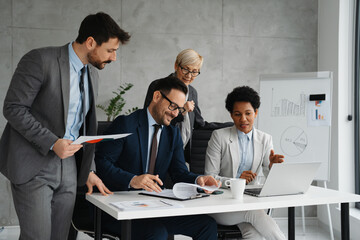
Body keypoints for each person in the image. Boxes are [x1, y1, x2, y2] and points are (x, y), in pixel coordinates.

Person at [0, 12, 130, 240]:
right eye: (110, 50)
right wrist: (52, 142)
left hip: (70, 166)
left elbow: (82, 125)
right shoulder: (40, 60)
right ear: (90, 42)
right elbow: (13, 108)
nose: (114, 58)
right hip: (34, 164)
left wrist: (88, 170)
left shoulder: (91, 73)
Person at [95, 76, 219, 240]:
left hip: (154, 207)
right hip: (117, 208)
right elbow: (102, 164)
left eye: (180, 109)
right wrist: (132, 179)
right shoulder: (126, 124)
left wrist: (198, 180)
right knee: (156, 232)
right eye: (173, 106)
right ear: (157, 97)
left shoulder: (172, 133)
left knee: (206, 225)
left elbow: (178, 172)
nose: (175, 113)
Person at [204, 86, 286, 240]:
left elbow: (270, 178)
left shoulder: (265, 139)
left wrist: (271, 166)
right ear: (231, 115)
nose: (243, 119)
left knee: (253, 234)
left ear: (255, 112)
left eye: (248, 113)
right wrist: (235, 181)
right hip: (221, 202)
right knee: (254, 213)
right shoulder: (219, 137)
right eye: (237, 114)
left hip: (249, 201)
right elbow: (209, 177)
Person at [144, 49, 230, 155]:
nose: (189, 76)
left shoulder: (192, 92)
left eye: (194, 72)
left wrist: (230, 125)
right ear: (176, 65)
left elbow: (200, 124)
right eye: (186, 69)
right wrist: (182, 110)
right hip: (158, 149)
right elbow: (150, 119)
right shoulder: (158, 86)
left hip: (181, 152)